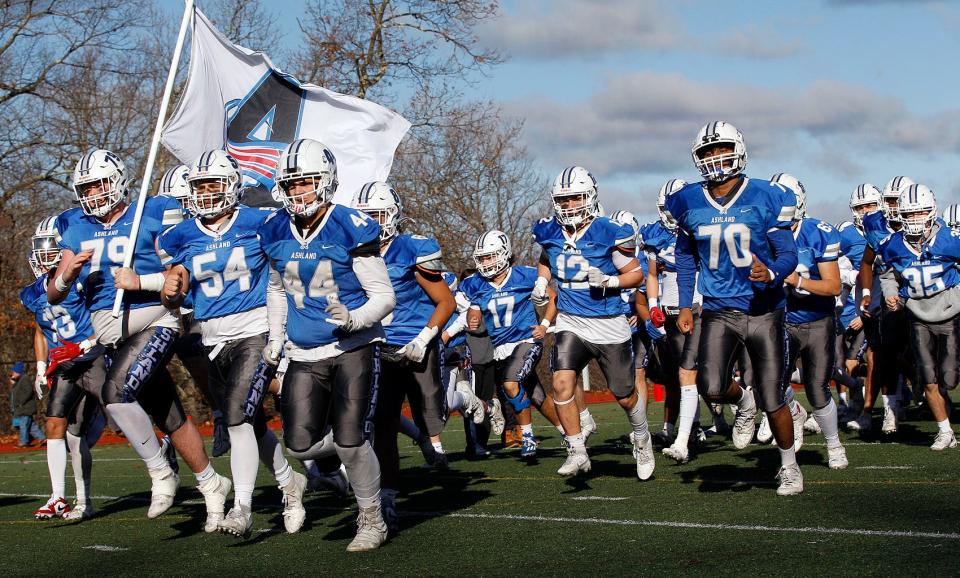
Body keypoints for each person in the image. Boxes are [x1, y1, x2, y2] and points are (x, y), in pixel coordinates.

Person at [48, 149, 230, 529]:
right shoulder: (74, 225)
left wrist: (143, 284)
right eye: (86, 187)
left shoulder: (153, 213)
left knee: (116, 395)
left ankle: (160, 471)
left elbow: (179, 280)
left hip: (154, 318)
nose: (94, 193)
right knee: (169, 414)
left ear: (117, 179)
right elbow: (54, 293)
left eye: (99, 183)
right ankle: (212, 484)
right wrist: (67, 276)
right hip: (113, 331)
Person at [157, 150, 307, 537]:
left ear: (233, 186)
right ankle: (291, 484)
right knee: (250, 422)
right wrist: (170, 292)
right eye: (199, 187)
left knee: (238, 415)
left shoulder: (262, 221)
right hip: (212, 338)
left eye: (213, 185)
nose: (206, 195)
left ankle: (242, 506)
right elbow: (176, 293)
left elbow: (287, 270)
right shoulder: (181, 235)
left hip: (256, 329)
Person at [259, 138, 394, 551]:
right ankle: (351, 442)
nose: (298, 191)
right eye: (292, 183)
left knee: (351, 440)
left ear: (327, 181)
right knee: (299, 445)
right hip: (304, 353)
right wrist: (275, 337)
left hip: (353, 346)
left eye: (306, 182)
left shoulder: (349, 225)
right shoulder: (274, 229)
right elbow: (277, 289)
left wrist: (355, 319)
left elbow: (385, 296)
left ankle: (371, 517)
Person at [664, 121, 802, 495]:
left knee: (774, 396)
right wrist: (684, 304)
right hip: (719, 309)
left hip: (764, 309)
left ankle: (789, 466)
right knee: (710, 385)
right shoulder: (687, 200)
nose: (715, 158)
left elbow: (789, 253)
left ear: (738, 150)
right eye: (707, 152)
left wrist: (771, 272)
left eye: (721, 148)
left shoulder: (767, 195)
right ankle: (744, 402)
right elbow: (684, 255)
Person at [532, 166, 652, 478]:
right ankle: (577, 449)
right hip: (571, 320)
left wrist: (611, 281)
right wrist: (543, 281)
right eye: (564, 199)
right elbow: (546, 258)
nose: (570, 205)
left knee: (625, 395)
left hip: (608, 322)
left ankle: (641, 437)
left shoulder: (608, 230)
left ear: (589, 197)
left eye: (575, 198)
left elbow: (637, 273)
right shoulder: (548, 230)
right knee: (560, 382)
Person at [352, 181, 455, 531]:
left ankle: (430, 435)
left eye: (377, 216)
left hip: (417, 344)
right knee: (382, 424)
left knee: (433, 416)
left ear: (393, 216)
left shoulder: (411, 249)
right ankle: (387, 496)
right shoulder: (350, 252)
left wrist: (426, 337)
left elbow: (446, 301)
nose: (371, 223)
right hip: (377, 347)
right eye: (364, 217)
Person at [22, 218, 105, 520]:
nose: (44, 257)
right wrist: (41, 365)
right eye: (40, 250)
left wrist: (85, 345)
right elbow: (40, 329)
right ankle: (61, 497)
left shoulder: (82, 280)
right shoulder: (32, 292)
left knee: (123, 406)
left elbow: (106, 317)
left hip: (93, 356)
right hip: (65, 364)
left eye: (50, 249)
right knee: (59, 425)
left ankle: (163, 454)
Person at [768, 172, 848, 469]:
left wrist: (798, 280)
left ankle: (834, 443)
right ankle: (794, 413)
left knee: (817, 389)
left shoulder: (818, 232)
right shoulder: (763, 235)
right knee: (772, 386)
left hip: (816, 319)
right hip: (780, 320)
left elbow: (833, 286)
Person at [460, 230, 562, 459]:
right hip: (499, 349)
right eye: (483, 258)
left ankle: (526, 436)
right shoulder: (475, 284)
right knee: (536, 395)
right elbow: (473, 314)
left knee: (510, 384)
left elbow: (554, 297)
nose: (486, 262)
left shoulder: (524, 275)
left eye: (490, 256)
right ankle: (567, 431)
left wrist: (544, 325)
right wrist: (472, 319)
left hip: (526, 341)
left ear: (504, 254)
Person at [875, 184, 960, 450]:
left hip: (950, 314)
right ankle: (944, 431)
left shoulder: (950, 238)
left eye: (920, 212)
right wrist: (890, 293)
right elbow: (887, 275)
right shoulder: (892, 245)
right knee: (928, 378)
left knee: (949, 378)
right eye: (909, 214)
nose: (915, 219)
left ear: (931, 210)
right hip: (918, 316)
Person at [157, 164, 229, 458]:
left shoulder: (215, 227)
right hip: (180, 307)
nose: (181, 211)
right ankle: (168, 433)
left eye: (183, 203)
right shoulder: (164, 232)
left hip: (221, 306)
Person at [639, 180, 706, 464]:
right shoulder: (654, 234)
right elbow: (652, 274)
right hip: (669, 313)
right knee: (680, 374)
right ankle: (687, 432)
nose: (669, 212)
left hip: (698, 307)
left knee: (703, 376)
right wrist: (653, 306)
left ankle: (742, 402)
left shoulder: (699, 228)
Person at [854, 177, 916, 434]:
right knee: (884, 355)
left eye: (897, 200)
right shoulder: (877, 226)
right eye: (889, 200)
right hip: (889, 300)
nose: (893, 205)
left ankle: (923, 393)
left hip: (919, 299)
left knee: (917, 357)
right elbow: (867, 261)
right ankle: (887, 410)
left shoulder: (925, 227)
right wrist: (867, 292)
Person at [10, 362, 45, 447]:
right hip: (22, 408)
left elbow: (28, 391)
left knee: (23, 425)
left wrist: (21, 402)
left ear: (19, 372)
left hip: (25, 408)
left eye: (14, 372)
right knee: (30, 426)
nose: (12, 373)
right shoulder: (18, 381)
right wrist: (14, 383)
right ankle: (42, 438)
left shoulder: (24, 379)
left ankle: (23, 442)